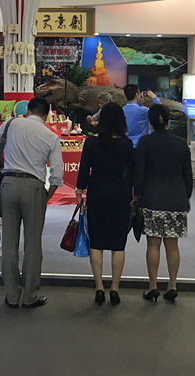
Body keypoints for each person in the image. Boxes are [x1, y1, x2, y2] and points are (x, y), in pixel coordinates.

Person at [0, 96, 62, 309]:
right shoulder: (50, 136)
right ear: (47, 115)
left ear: (27, 110)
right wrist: (46, 196)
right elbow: (57, 175)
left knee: (9, 242)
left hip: (8, 184)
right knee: (33, 244)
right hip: (34, 187)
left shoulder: (12, 124)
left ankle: (11, 296)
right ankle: (29, 297)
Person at [76, 102, 135, 306]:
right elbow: (131, 172)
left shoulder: (92, 142)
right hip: (120, 193)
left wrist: (79, 192)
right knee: (118, 244)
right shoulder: (127, 144)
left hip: (97, 193)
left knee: (97, 242)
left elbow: (84, 169)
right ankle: (115, 289)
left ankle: (99, 288)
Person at [134, 104, 193, 303]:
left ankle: (153, 287)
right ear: (168, 121)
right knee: (172, 244)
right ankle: (172, 285)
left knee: (153, 244)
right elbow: (187, 174)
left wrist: (136, 194)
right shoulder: (181, 143)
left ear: (150, 122)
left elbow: (140, 173)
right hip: (176, 197)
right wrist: (187, 197)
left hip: (152, 197)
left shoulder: (145, 142)